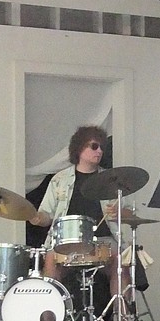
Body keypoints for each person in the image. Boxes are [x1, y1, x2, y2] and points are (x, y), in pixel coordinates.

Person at [30, 126, 131, 300]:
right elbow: (46, 215)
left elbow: (129, 214)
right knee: (50, 261)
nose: (99, 151)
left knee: (120, 263)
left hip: (103, 242)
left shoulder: (111, 180)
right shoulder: (59, 179)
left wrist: (120, 212)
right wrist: (37, 218)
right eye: (94, 146)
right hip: (67, 242)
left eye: (101, 147)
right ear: (79, 148)